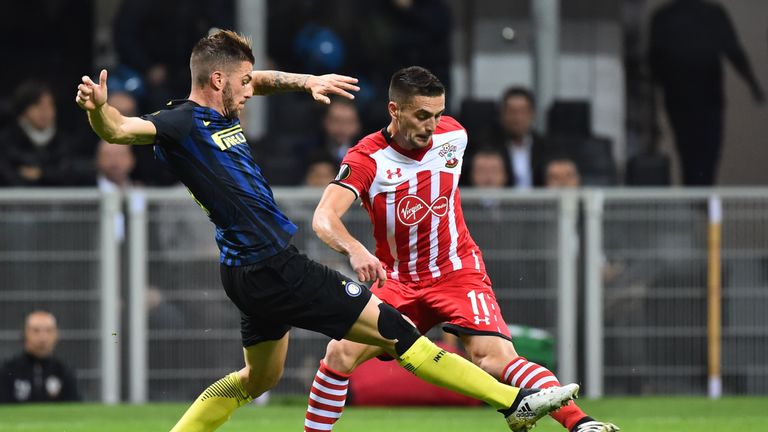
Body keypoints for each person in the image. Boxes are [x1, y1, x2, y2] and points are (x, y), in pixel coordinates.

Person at [75, 30, 577, 432]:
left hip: (244, 272)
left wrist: (304, 80)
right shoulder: (179, 123)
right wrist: (99, 109)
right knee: (400, 334)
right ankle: (515, 403)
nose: (252, 91)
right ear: (219, 79)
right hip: (275, 266)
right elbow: (121, 129)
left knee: (257, 378)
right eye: (244, 83)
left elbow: (264, 78)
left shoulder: (217, 104)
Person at [303, 66, 617, 432]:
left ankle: (583, 425)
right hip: (399, 281)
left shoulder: (454, 135)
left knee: (494, 359)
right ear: (394, 110)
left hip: (457, 271)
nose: (431, 125)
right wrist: (355, 250)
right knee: (338, 354)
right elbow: (323, 218)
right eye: (422, 115)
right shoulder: (366, 159)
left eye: (437, 114)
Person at [649, 0, 765, 185]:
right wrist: (753, 85)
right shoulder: (711, 14)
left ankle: (697, 197)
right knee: (705, 156)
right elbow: (734, 52)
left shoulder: (664, 17)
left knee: (689, 155)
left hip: (682, 98)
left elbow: (654, 66)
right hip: (704, 98)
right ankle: (701, 198)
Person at [0, 81, 94, 186]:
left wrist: (42, 174)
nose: (45, 111)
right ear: (23, 109)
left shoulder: (66, 143)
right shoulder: (6, 143)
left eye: (49, 104)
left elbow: (75, 175)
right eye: (37, 104)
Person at [465, 87, 548, 189]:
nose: (517, 118)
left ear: (532, 114)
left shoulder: (544, 146)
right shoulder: (484, 143)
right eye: (512, 112)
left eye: (523, 111)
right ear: (502, 114)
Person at [0, 311, 80, 403]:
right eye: (36, 331)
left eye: (48, 331)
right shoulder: (8, 370)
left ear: (56, 335)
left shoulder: (65, 371)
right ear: (24, 334)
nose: (43, 338)